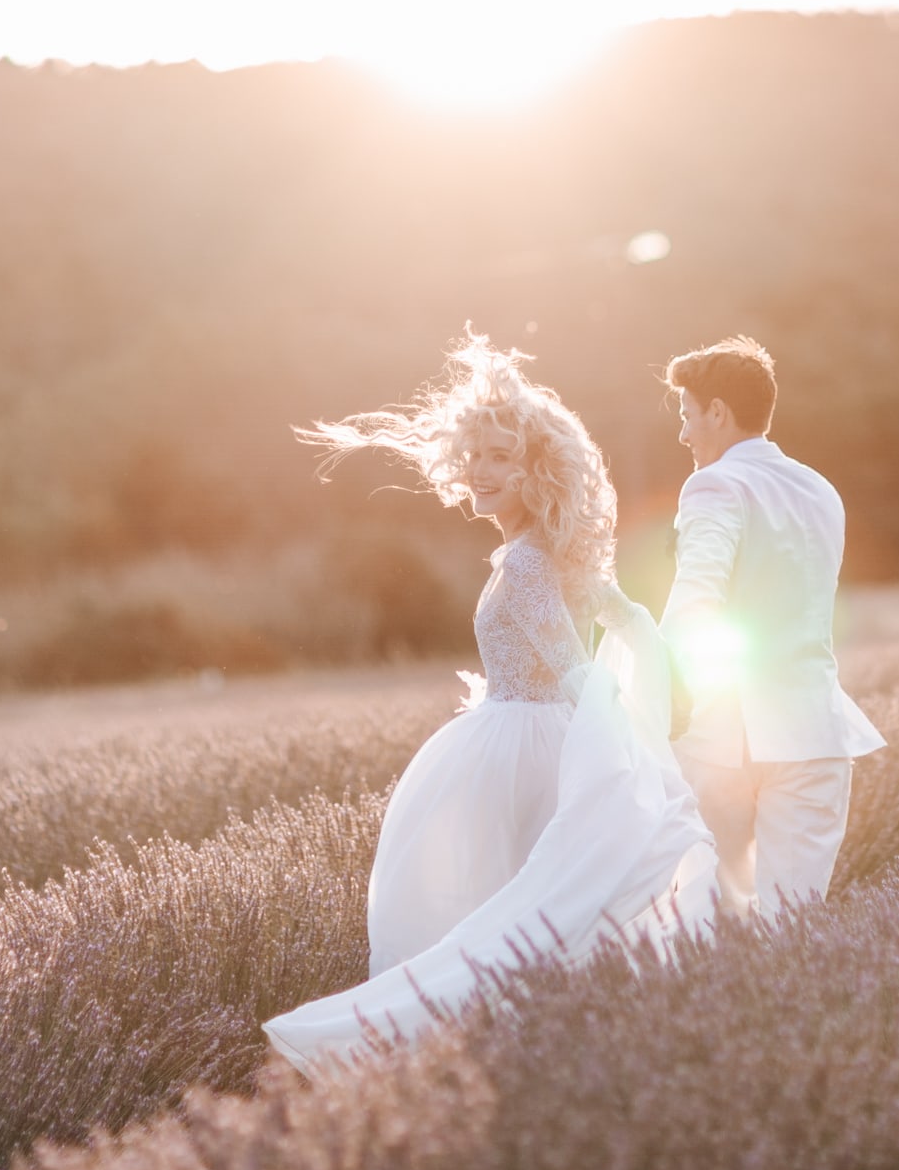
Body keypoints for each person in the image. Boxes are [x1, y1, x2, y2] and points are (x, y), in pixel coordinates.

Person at [262, 334, 715, 1074]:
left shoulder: (534, 561)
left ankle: (481, 1059)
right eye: (473, 455)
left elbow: (573, 668)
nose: (480, 470)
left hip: (523, 750)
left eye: (500, 458)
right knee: (508, 914)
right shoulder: (544, 552)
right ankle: (518, 1054)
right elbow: (628, 616)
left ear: (536, 471)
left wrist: (630, 759)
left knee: (490, 907)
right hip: (526, 738)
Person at [660, 335, 885, 920]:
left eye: (688, 415)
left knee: (703, 921)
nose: (684, 434)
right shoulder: (821, 490)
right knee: (793, 929)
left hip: (725, 739)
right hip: (816, 734)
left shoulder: (715, 484)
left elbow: (694, 604)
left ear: (717, 412)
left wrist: (662, 695)